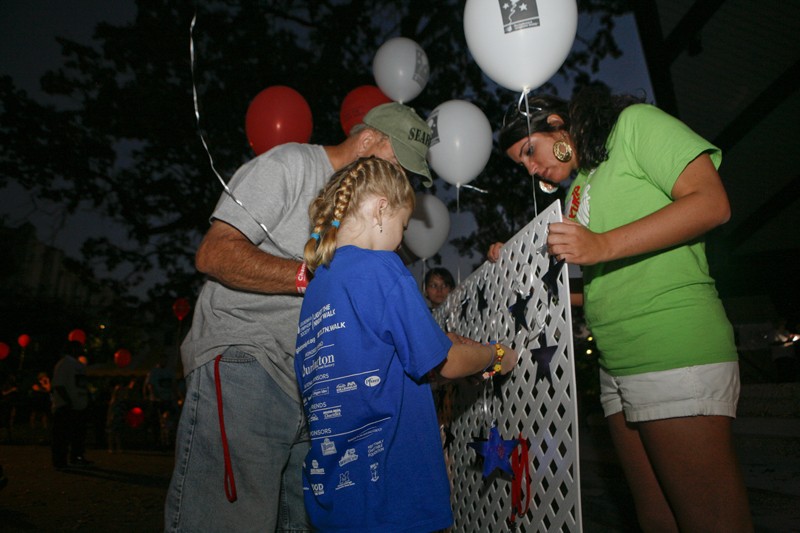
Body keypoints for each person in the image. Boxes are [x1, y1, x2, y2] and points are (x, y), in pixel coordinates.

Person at [489, 87, 753, 532]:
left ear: (557, 124)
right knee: (656, 517)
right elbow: (600, 285)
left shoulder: (636, 124)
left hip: (671, 348)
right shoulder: (578, 189)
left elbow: (712, 202)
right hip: (617, 366)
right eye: (523, 165)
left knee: (710, 520)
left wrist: (601, 244)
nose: (533, 170)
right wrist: (514, 265)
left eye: (530, 152)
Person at [164, 102, 435, 532]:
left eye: (411, 177)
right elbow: (214, 253)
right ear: (366, 142)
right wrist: (313, 277)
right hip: (247, 361)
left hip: (313, 391)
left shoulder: (371, 216)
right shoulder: (289, 165)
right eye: (398, 165)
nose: (403, 184)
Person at [295, 157, 518, 532]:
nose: (401, 238)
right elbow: (442, 363)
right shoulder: (382, 268)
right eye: (402, 224)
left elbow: (374, 357)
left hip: (335, 499)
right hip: (393, 495)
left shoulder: (316, 289)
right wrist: (495, 355)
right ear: (381, 208)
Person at [51, 340, 92, 468]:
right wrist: (68, 401)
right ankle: (60, 462)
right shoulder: (65, 364)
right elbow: (58, 385)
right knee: (63, 436)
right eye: (79, 348)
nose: (82, 350)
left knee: (77, 435)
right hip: (66, 406)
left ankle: (75, 457)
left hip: (78, 405)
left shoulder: (76, 365)